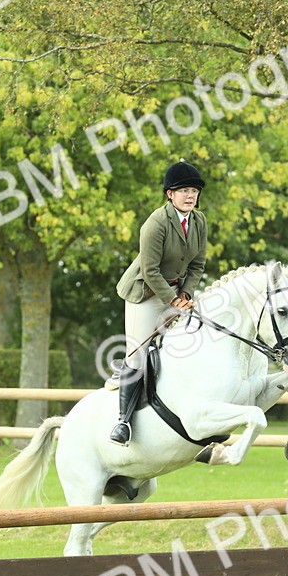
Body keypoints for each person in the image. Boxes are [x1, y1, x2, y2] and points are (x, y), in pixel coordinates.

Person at [109, 161, 209, 446]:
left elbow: (198, 264)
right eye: (183, 191)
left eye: (194, 191)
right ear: (170, 194)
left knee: (193, 341)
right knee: (138, 353)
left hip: (177, 293)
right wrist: (173, 299)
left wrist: (186, 296)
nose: (190, 196)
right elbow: (150, 271)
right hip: (146, 293)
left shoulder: (199, 221)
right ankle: (123, 423)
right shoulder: (155, 223)